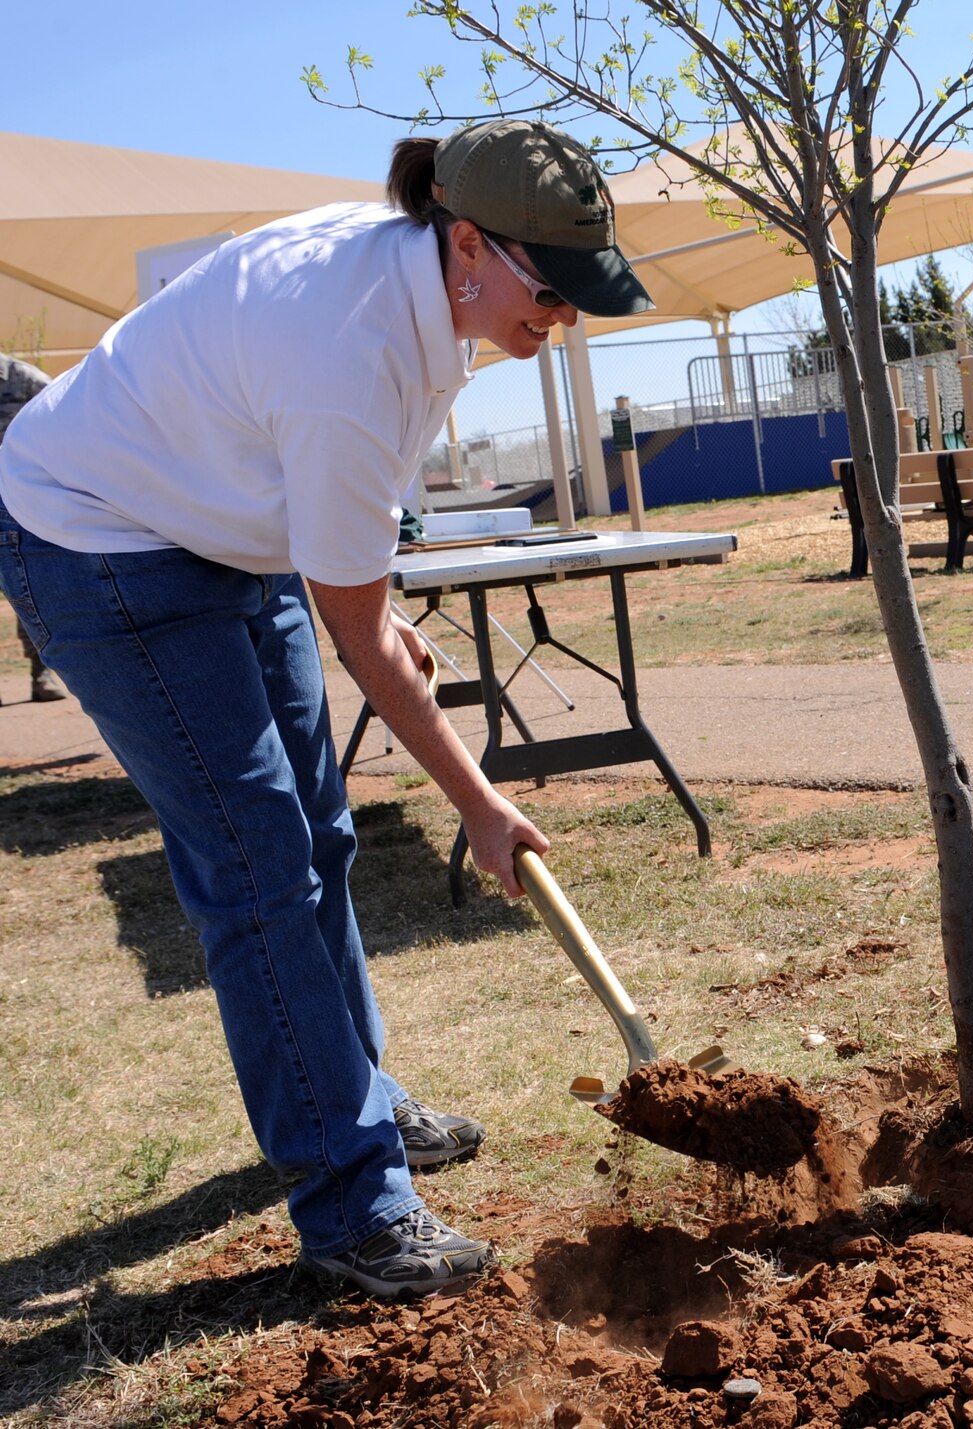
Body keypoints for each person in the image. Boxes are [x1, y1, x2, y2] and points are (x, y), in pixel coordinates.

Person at [0, 119, 654, 1295]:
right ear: (468, 245)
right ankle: (354, 1207)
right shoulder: (350, 340)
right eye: (552, 293)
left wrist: (371, 597)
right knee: (258, 866)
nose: (560, 323)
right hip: (99, 534)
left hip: (216, 525)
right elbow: (360, 639)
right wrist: (483, 806)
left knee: (323, 829)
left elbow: (341, 555)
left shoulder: (427, 297)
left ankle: (358, 1093)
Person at [0, 355, 66, 703]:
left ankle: (40, 675)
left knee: (26, 593)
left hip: (20, 505)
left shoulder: (23, 377)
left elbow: (65, 416)